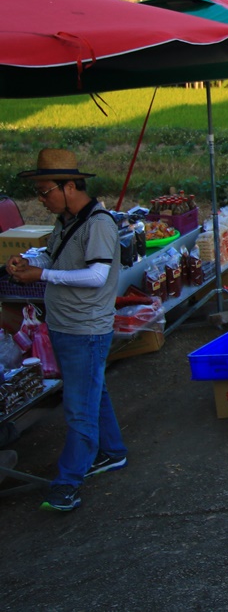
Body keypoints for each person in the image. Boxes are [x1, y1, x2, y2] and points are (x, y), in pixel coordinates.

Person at [6, 149, 126, 512]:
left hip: (84, 328)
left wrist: (40, 275)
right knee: (93, 390)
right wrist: (28, 262)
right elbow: (58, 258)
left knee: (79, 408)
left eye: (45, 192)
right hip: (65, 324)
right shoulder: (67, 220)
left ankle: (68, 481)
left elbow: (96, 275)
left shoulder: (99, 224)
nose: (42, 200)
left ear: (69, 185)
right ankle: (113, 451)